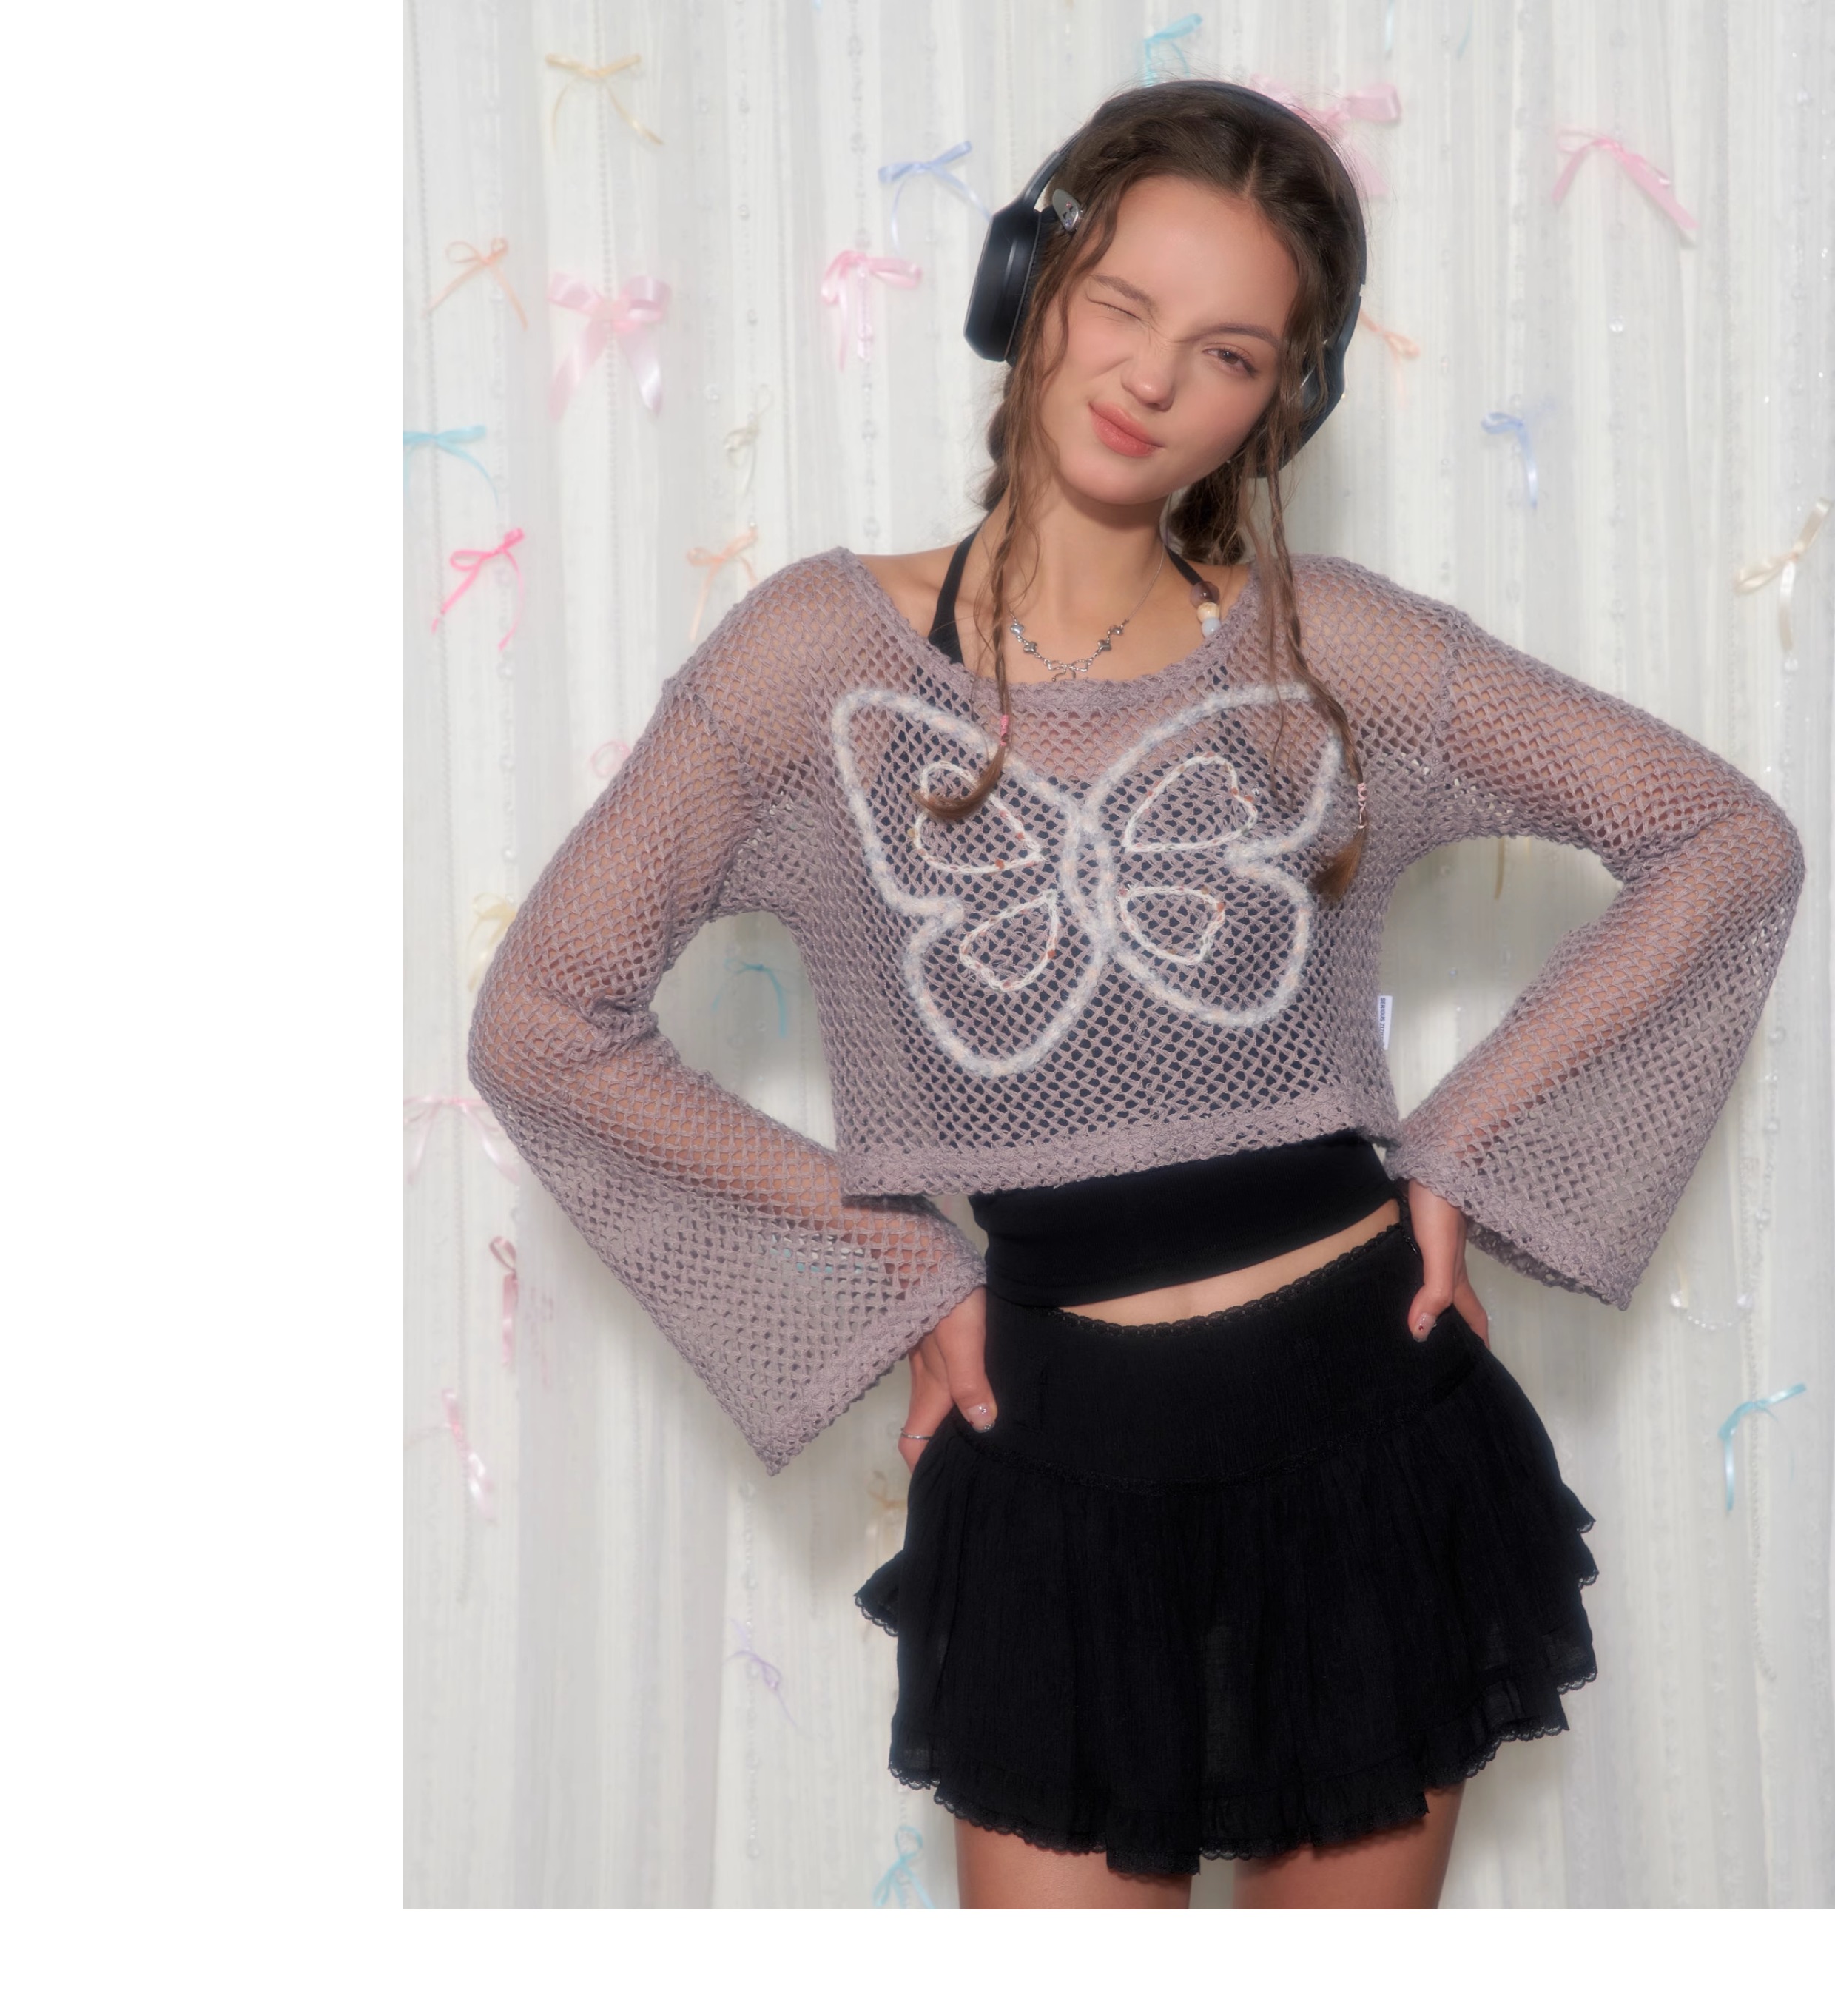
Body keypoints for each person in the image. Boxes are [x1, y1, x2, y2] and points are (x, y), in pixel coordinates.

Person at [466, 81, 1803, 1909]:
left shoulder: (1326, 648)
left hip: (1372, 1433)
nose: (1153, 378)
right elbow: (545, 1022)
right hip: (1051, 1471)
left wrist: (1464, 1154)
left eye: (1229, 351)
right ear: (1028, 282)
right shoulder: (807, 667)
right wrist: (900, 1267)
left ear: (1282, 402)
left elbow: (1720, 839)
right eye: (1121, 303)